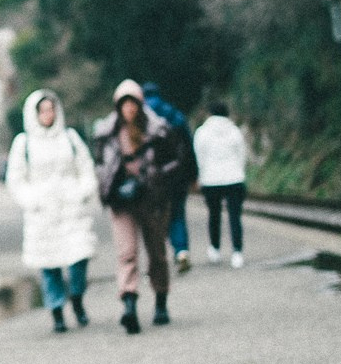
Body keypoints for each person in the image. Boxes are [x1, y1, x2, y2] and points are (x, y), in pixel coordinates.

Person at [94, 78, 183, 334]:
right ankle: (129, 304)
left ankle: (161, 300)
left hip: (151, 198)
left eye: (133, 104)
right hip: (121, 200)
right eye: (125, 105)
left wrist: (155, 177)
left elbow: (175, 160)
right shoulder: (106, 132)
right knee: (127, 253)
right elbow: (101, 164)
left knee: (157, 252)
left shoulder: (157, 129)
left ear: (140, 105)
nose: (129, 109)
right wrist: (108, 187)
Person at [5, 90, 98, 332]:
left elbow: (86, 167)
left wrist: (82, 191)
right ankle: (56, 309)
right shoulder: (23, 143)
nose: (48, 114)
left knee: (79, 257)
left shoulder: (69, 137)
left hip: (71, 208)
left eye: (51, 109)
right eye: (43, 110)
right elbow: (15, 178)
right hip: (42, 211)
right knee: (49, 264)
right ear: (34, 114)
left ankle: (76, 298)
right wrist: (31, 200)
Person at [142, 81, 196, 274]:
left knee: (156, 217)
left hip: (154, 178)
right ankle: (181, 251)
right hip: (178, 175)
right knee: (178, 214)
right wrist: (193, 175)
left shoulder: (140, 118)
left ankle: (160, 255)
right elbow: (188, 147)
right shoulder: (175, 115)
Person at [193, 101, 249, 267]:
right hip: (234, 178)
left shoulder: (202, 132)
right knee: (234, 216)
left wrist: (201, 176)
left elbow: (199, 157)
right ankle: (237, 253)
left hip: (211, 180)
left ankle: (215, 249)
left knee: (214, 215)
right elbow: (242, 155)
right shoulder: (235, 131)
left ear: (210, 113)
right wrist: (238, 171)